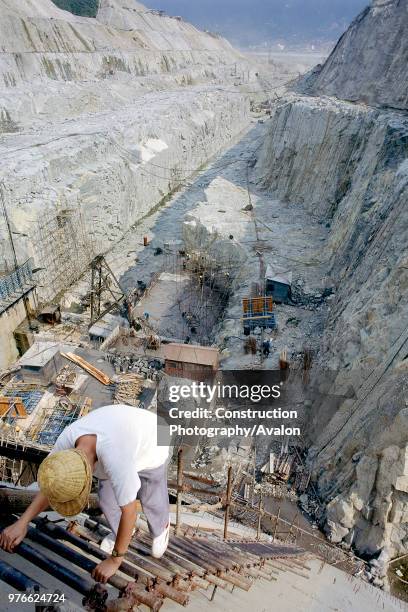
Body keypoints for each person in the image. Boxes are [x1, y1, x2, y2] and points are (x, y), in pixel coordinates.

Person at [0, 405, 170, 583]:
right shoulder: (66, 444)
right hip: (126, 432)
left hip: (157, 435)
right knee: (106, 500)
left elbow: (130, 511)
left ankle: (161, 528)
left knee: (152, 495)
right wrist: (22, 522)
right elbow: (52, 485)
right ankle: (124, 533)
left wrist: (115, 559)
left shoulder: (115, 459)